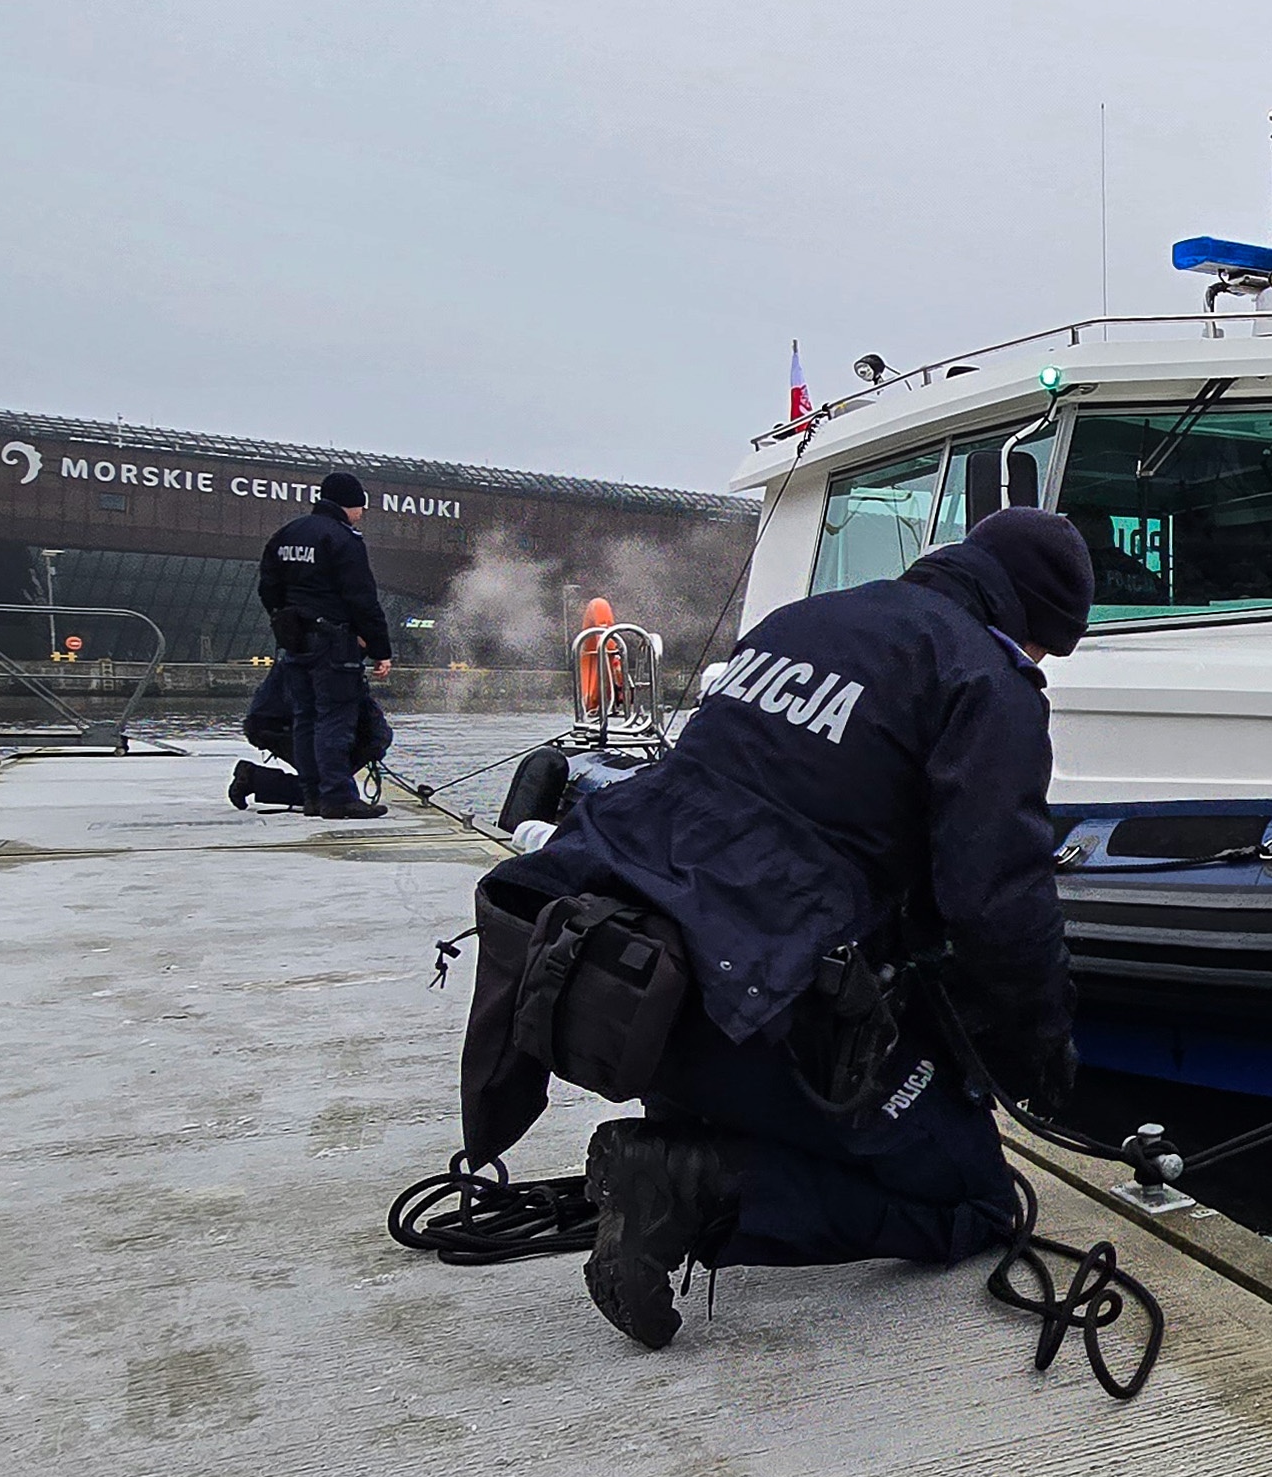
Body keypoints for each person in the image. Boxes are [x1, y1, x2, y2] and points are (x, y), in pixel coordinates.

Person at [460, 507, 1092, 1350]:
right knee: (974, 1198)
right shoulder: (982, 677)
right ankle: (693, 1190)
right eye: (1044, 648)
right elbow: (999, 903)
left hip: (638, 977)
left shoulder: (803, 621)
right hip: (751, 1001)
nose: (1037, 665)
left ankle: (691, 1144)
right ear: (1026, 620)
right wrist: (1037, 1049)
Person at [255, 470, 394, 820]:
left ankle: (312, 796)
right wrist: (380, 649)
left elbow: (268, 587)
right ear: (348, 503)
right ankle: (337, 797)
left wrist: (285, 620)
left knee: (305, 718)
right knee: (335, 719)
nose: (362, 512)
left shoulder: (287, 534)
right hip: (334, 643)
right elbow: (362, 598)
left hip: (296, 642)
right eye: (360, 505)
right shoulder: (343, 538)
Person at [228, 664, 392, 812]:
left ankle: (257, 779)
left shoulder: (307, 653)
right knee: (330, 792)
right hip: (280, 725)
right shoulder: (334, 658)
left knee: (330, 788)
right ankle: (255, 779)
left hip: (271, 722)